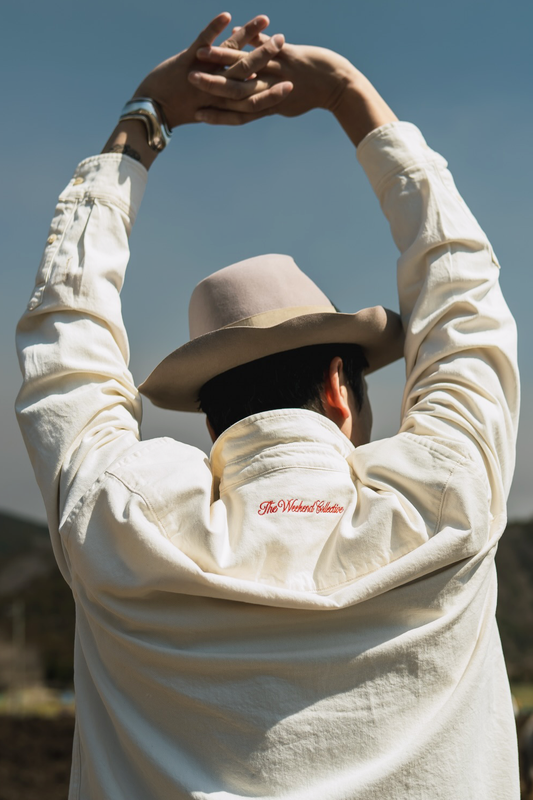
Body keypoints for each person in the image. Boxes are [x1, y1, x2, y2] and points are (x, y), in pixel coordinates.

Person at [16, 11, 520, 799]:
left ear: (211, 418)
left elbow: (66, 330)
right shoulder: (446, 496)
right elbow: (464, 291)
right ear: (335, 390)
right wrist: (351, 98)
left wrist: (143, 120)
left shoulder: (120, 519)